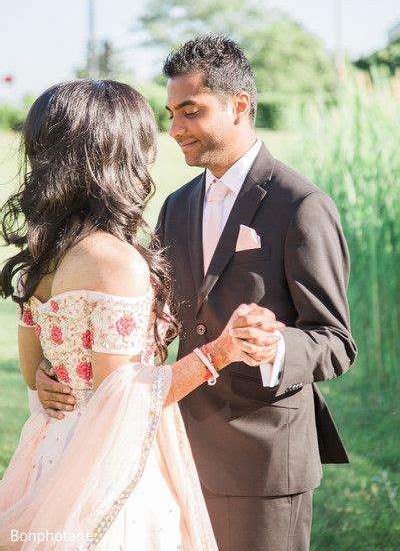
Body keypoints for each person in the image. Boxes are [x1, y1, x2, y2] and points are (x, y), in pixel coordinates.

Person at [36, 36, 357, 550]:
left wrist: (275, 348)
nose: (175, 129)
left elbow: (335, 340)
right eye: (170, 113)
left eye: (190, 111)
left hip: (263, 460)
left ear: (239, 106)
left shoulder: (301, 205)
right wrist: (60, 366)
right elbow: (145, 319)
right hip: (173, 447)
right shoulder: (177, 205)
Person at [0, 79, 282, 550]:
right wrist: (222, 350)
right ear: (116, 152)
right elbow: (124, 404)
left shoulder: (44, 251)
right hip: (106, 466)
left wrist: (59, 373)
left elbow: (35, 372)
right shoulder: (113, 262)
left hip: (53, 451)